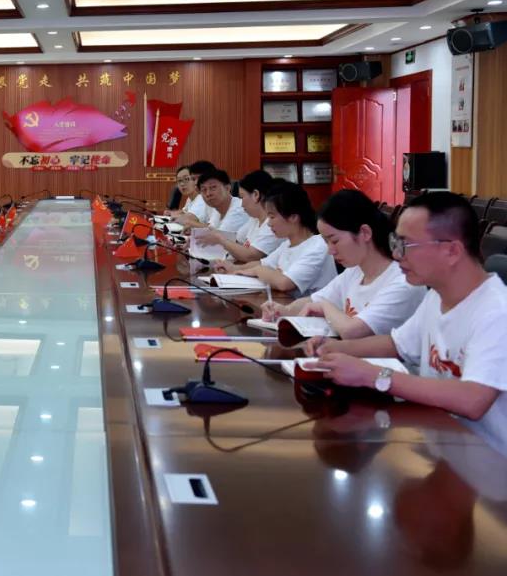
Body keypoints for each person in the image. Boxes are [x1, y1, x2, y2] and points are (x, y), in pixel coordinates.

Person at [306, 192, 507, 453]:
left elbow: (473, 400)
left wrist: (374, 375)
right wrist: (335, 348)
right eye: (395, 242)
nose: (396, 254)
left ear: (451, 250)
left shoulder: (496, 311)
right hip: (440, 441)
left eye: (406, 245)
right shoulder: (437, 295)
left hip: (488, 462)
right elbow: (397, 343)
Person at [262, 189, 426, 338]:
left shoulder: (402, 282)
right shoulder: (355, 271)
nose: (330, 251)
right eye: (326, 242)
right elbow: (313, 301)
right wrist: (285, 310)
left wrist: (324, 307)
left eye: (334, 241)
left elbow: (353, 331)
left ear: (365, 233)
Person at [215, 180, 336, 296]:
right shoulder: (287, 244)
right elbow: (263, 264)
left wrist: (259, 271)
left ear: (293, 217)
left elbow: (283, 283)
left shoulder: (318, 246)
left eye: (272, 217)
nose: (269, 223)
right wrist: (234, 268)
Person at [201, 170, 284, 263]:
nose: (241, 203)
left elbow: (250, 256)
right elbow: (236, 240)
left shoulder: (273, 224)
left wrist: (220, 240)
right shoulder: (254, 219)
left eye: (242, 197)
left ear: (256, 195)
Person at [189, 169, 250, 233]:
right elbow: (211, 230)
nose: (208, 194)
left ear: (227, 188)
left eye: (213, 188)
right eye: (204, 190)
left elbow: (218, 237)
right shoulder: (218, 208)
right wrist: (193, 231)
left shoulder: (239, 210)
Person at [169, 160, 215, 225]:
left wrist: (178, 216)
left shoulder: (202, 198)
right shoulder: (190, 198)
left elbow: (187, 219)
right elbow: (184, 212)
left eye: (186, 179)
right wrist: (172, 213)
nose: (182, 184)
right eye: (179, 181)